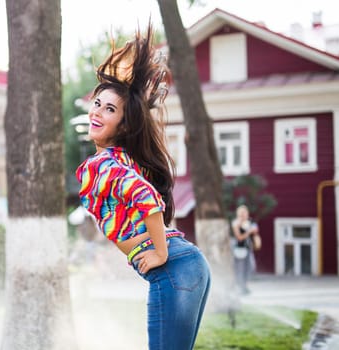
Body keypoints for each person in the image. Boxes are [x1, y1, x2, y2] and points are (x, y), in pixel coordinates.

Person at [75, 23, 211, 350]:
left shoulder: (100, 165)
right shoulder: (123, 158)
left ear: (123, 124)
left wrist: (159, 252)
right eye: (97, 103)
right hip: (191, 265)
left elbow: (149, 199)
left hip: (173, 267)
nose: (97, 112)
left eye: (110, 109)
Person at [231, 205, 259, 295]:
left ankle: (245, 286)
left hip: (248, 249)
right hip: (239, 250)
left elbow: (255, 233)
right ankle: (240, 288)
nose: (244, 215)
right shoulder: (236, 223)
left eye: (245, 213)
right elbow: (239, 237)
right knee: (240, 269)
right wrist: (249, 231)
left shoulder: (250, 223)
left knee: (250, 267)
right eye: (242, 213)